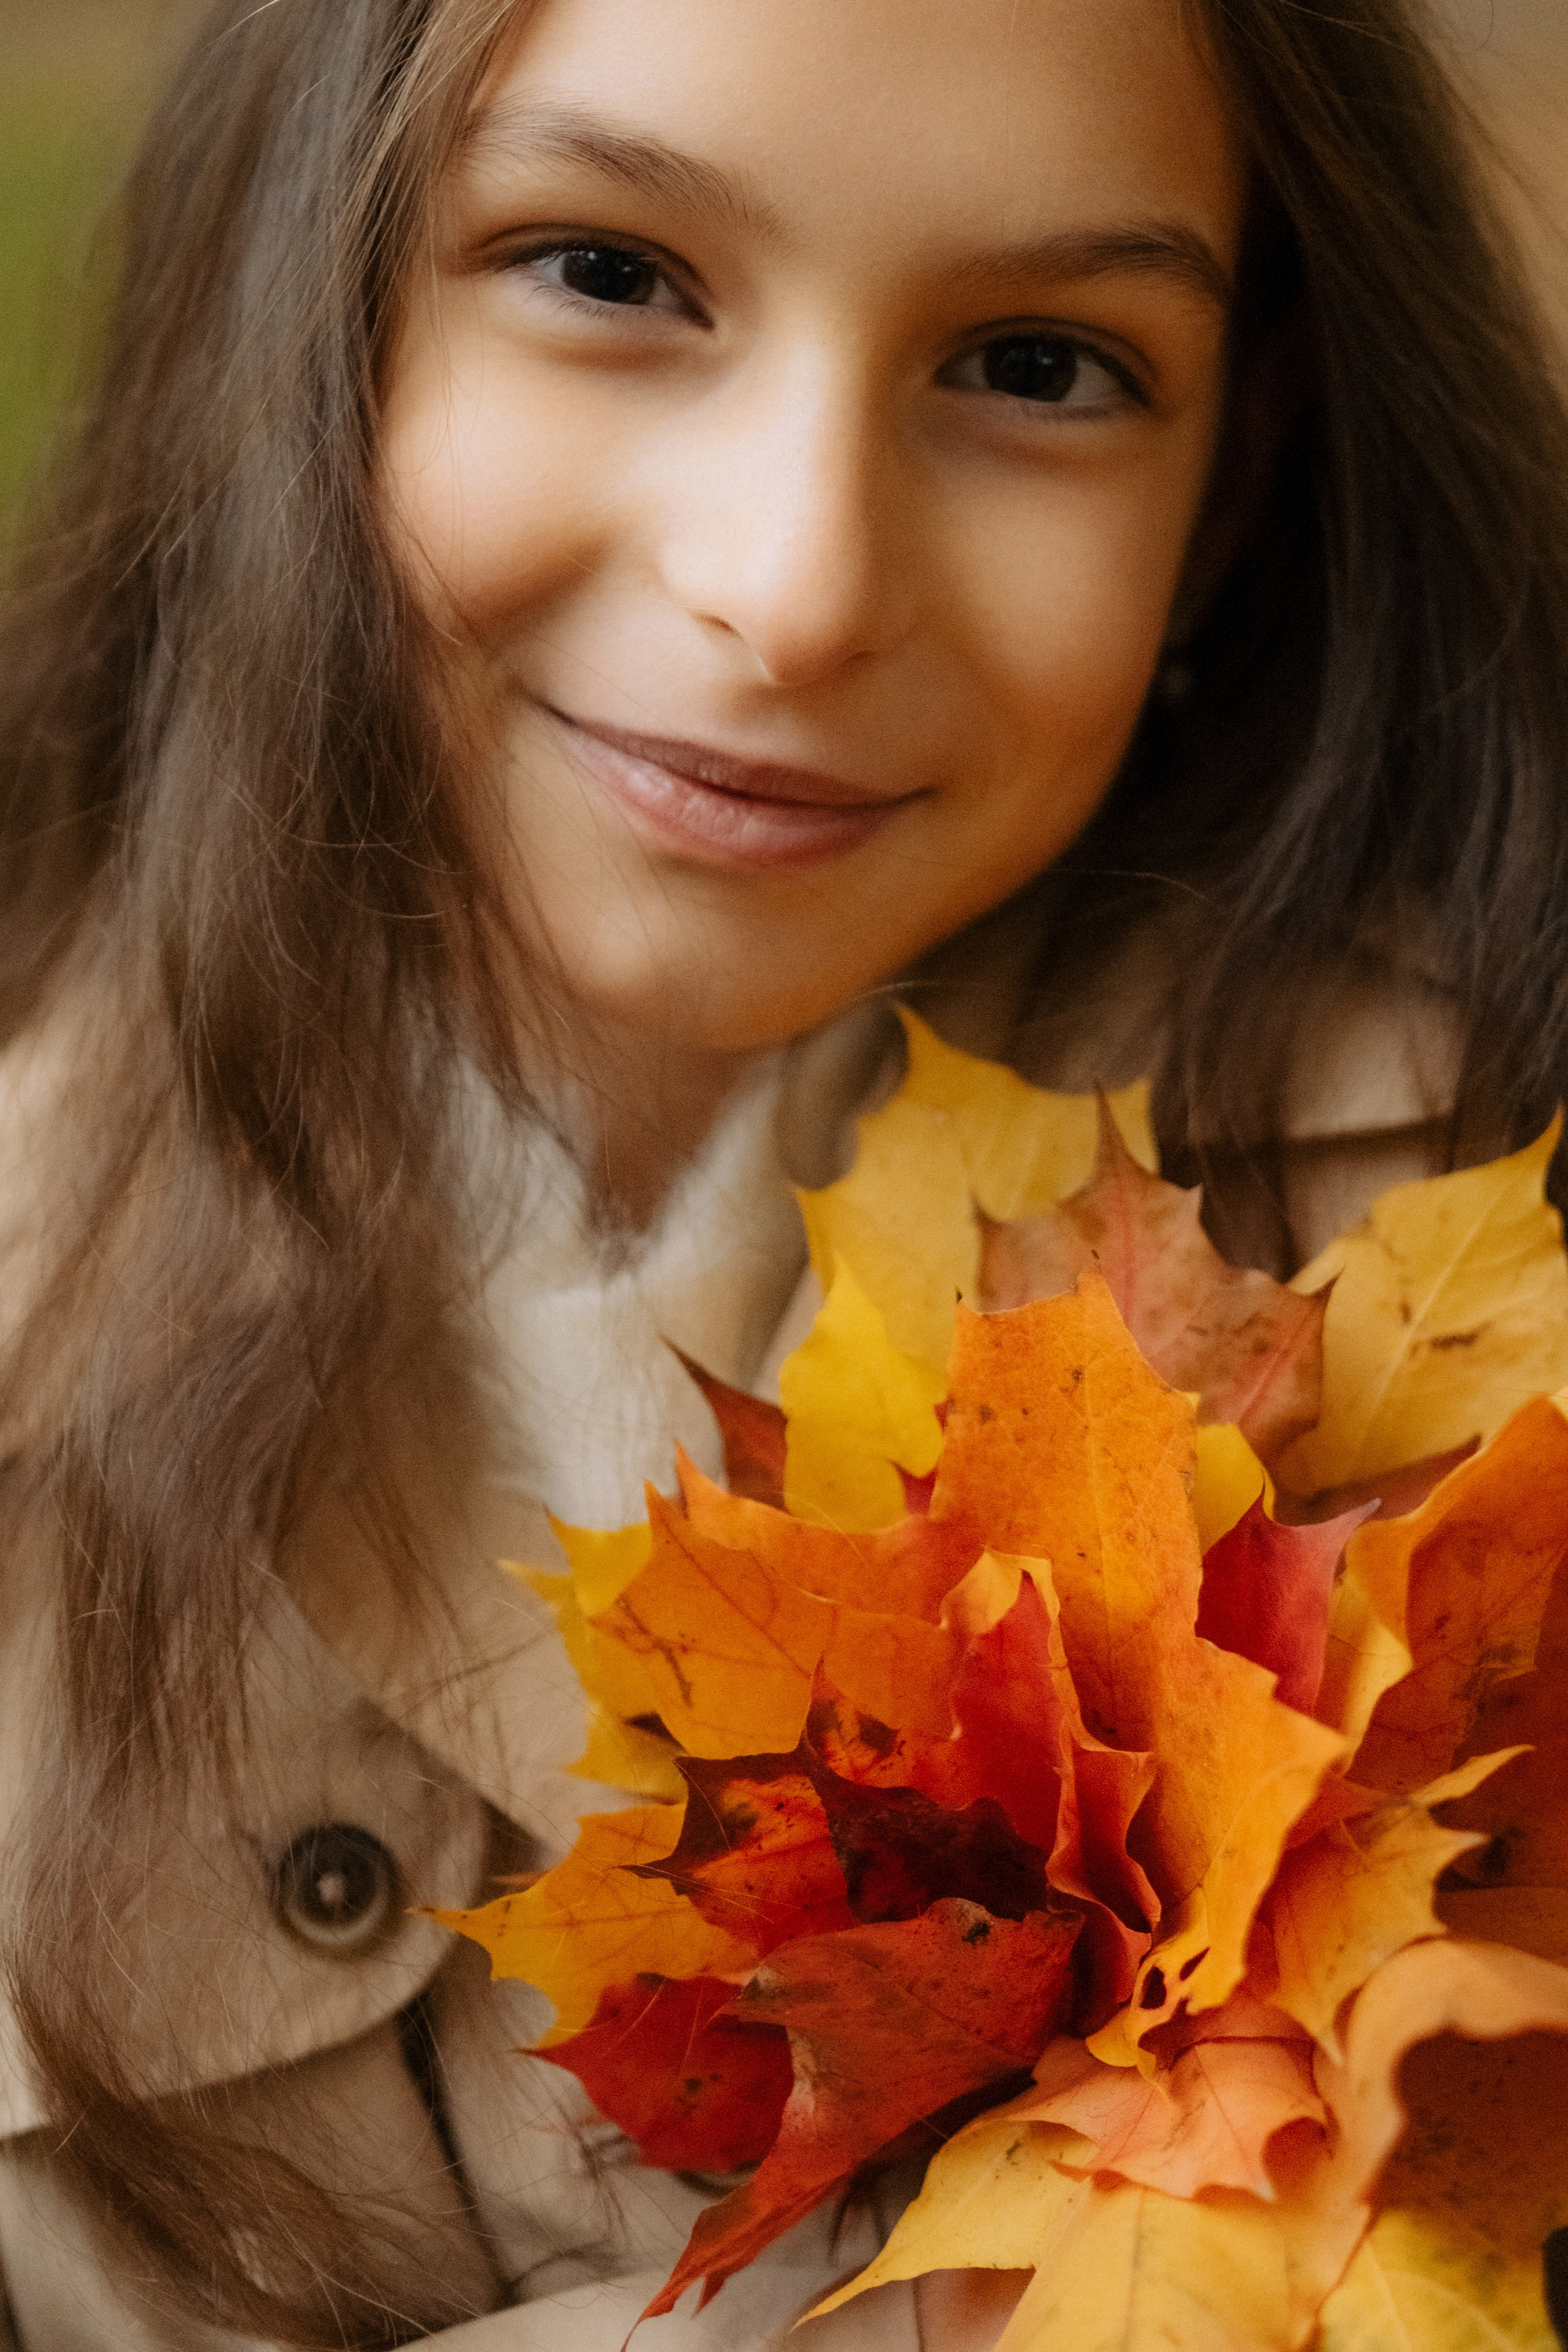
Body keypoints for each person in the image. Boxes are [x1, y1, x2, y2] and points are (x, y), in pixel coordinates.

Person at [0, 0, 1565, 2345]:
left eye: (1039, 364)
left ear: (1234, 479)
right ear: (293, 311)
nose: (800, 583)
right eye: (610, 274)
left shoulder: (1483, 1269)